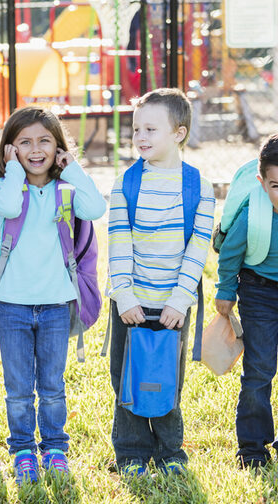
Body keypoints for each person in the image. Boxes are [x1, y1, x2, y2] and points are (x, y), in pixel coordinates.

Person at [0, 106, 106, 485]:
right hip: (12, 305)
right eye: (24, 142)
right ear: (10, 149)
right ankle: (23, 450)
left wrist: (71, 168)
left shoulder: (66, 190)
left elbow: (96, 207)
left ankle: (55, 447)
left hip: (57, 303)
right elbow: (8, 207)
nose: (35, 149)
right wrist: (12, 170)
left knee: (53, 386)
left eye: (45, 141)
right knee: (19, 389)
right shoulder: (2, 186)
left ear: (58, 148)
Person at [106, 88, 215, 476]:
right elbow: (118, 242)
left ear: (179, 133)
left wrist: (180, 301)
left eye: (151, 129)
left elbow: (197, 249)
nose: (140, 137)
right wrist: (124, 296)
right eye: (137, 129)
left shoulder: (198, 187)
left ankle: (170, 452)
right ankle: (131, 453)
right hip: (131, 304)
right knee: (127, 382)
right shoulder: (126, 184)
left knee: (167, 381)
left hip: (172, 306)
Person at [215, 134, 278, 470]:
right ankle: (252, 447)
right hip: (259, 292)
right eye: (276, 185)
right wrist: (225, 292)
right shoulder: (254, 211)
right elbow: (231, 252)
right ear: (262, 182)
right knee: (259, 369)